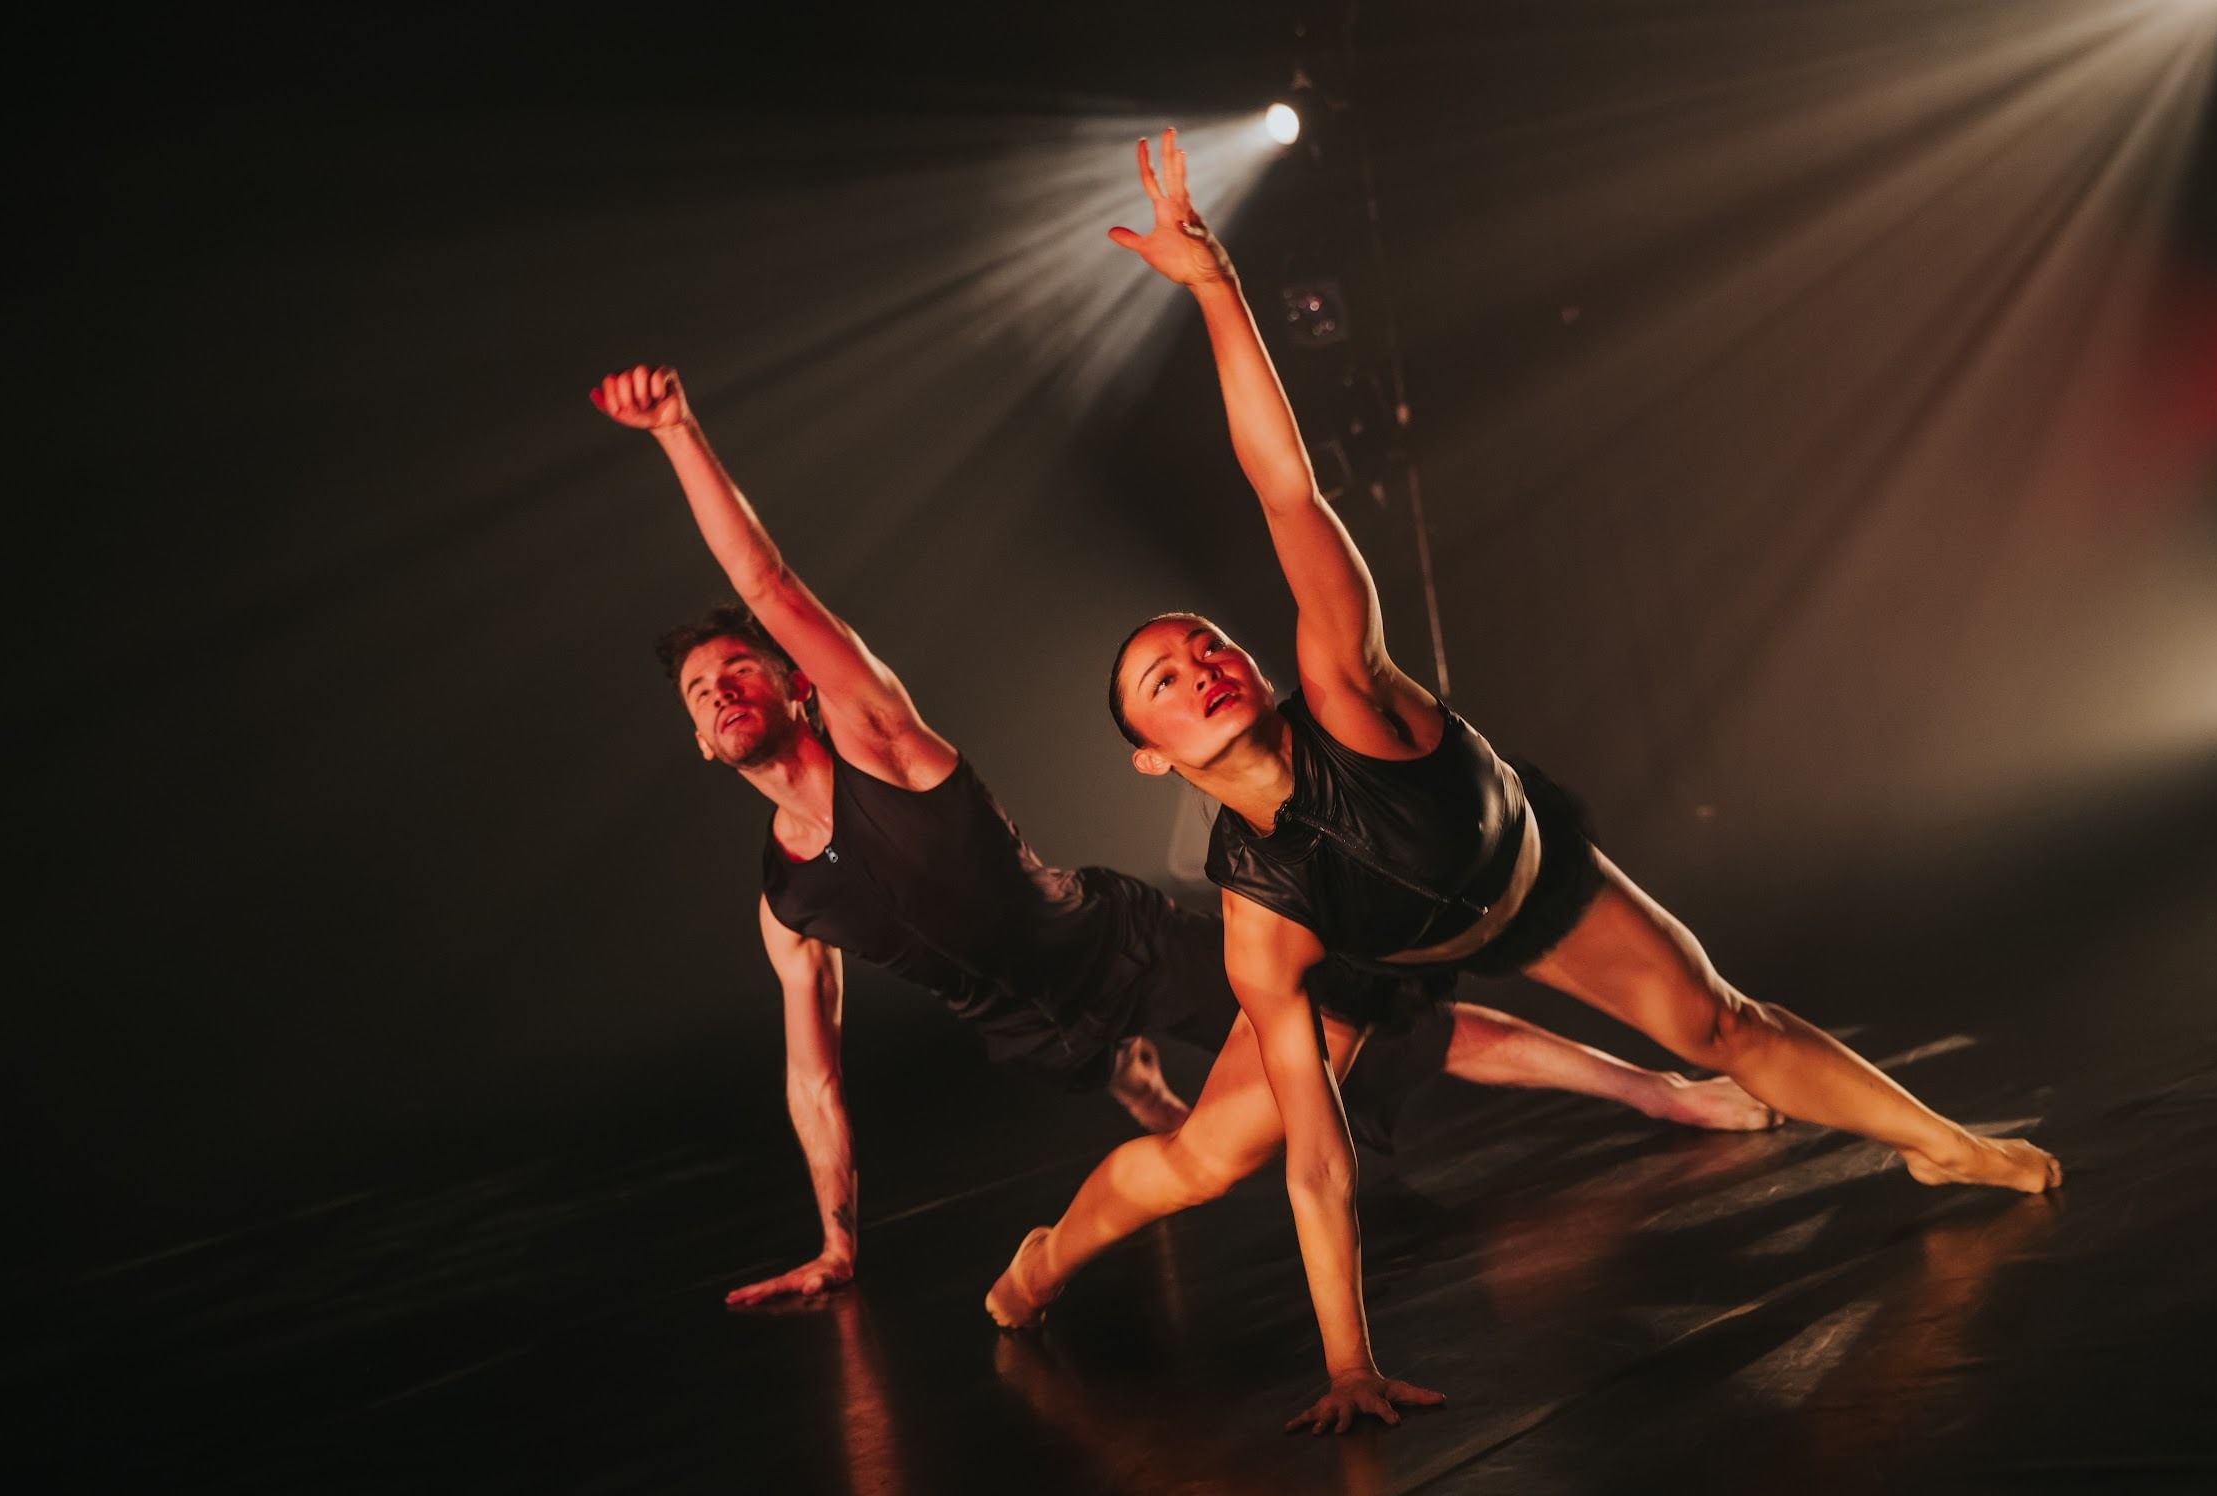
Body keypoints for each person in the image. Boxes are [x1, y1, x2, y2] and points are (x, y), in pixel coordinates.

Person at [1072, 129, 2063, 1434]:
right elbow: (1321, 1160)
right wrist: (1347, 1361)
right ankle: (1035, 1266)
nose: (1195, 663)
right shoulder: (1262, 916)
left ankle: (1937, 1138)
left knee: (1721, 1023)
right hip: (1366, 944)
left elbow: (1283, 485)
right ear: (1152, 755)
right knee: (1209, 1159)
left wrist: (1216, 290)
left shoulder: (1342, 684)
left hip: (1513, 882)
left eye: (1201, 641)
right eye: (1159, 679)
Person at [588, 365, 1776, 1312]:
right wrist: (836, 1245)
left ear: (794, 686)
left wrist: (677, 432)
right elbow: (813, 1081)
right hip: (1030, 1034)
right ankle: (1159, 1104)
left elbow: (770, 577)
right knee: (1149, 1107)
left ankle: (1658, 1093)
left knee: (1392, 1026)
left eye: (738, 667)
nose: (720, 691)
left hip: (1120, 945)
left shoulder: (877, 740)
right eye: (698, 693)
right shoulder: (784, 902)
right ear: (698, 744)